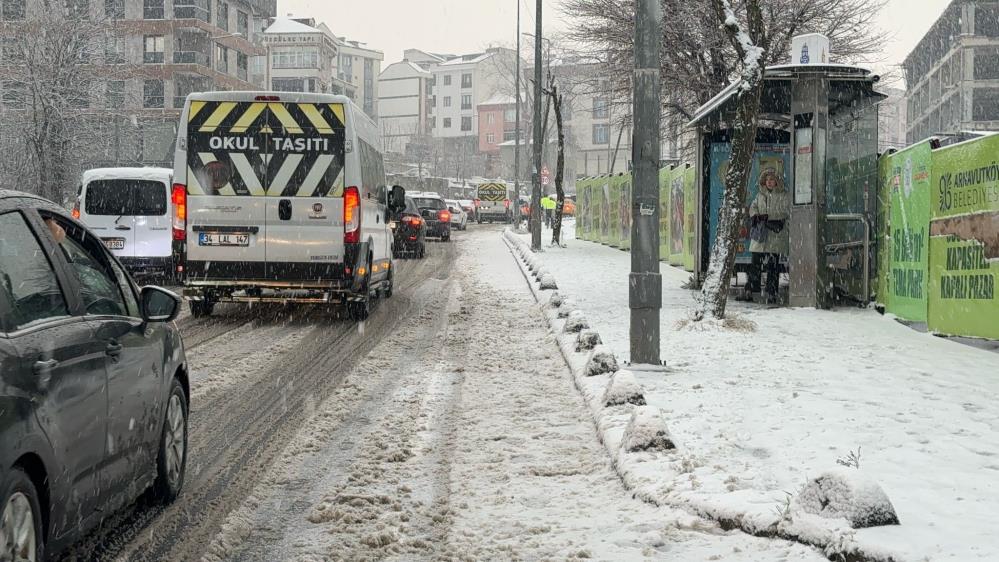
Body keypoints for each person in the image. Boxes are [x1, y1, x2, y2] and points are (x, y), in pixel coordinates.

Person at [739, 169, 789, 304]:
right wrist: (757, 216)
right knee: (755, 264)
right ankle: (750, 290)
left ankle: (772, 293)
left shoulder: (784, 195)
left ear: (777, 181)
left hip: (775, 236)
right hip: (760, 236)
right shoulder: (760, 195)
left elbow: (786, 212)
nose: (770, 182)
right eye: (767, 180)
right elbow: (753, 208)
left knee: (773, 267)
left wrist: (772, 220)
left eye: (772, 180)